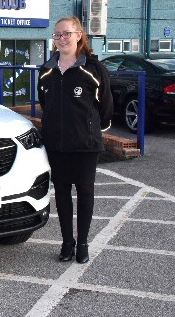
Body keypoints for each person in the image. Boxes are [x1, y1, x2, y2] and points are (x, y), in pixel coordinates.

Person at [37, 16, 113, 264]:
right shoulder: (46, 71)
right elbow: (45, 104)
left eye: (66, 33)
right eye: (57, 35)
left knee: (85, 192)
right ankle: (66, 243)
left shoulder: (92, 69)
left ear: (79, 35)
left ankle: (82, 244)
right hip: (57, 145)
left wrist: (92, 129)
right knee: (61, 193)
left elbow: (106, 107)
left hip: (85, 145)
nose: (61, 39)